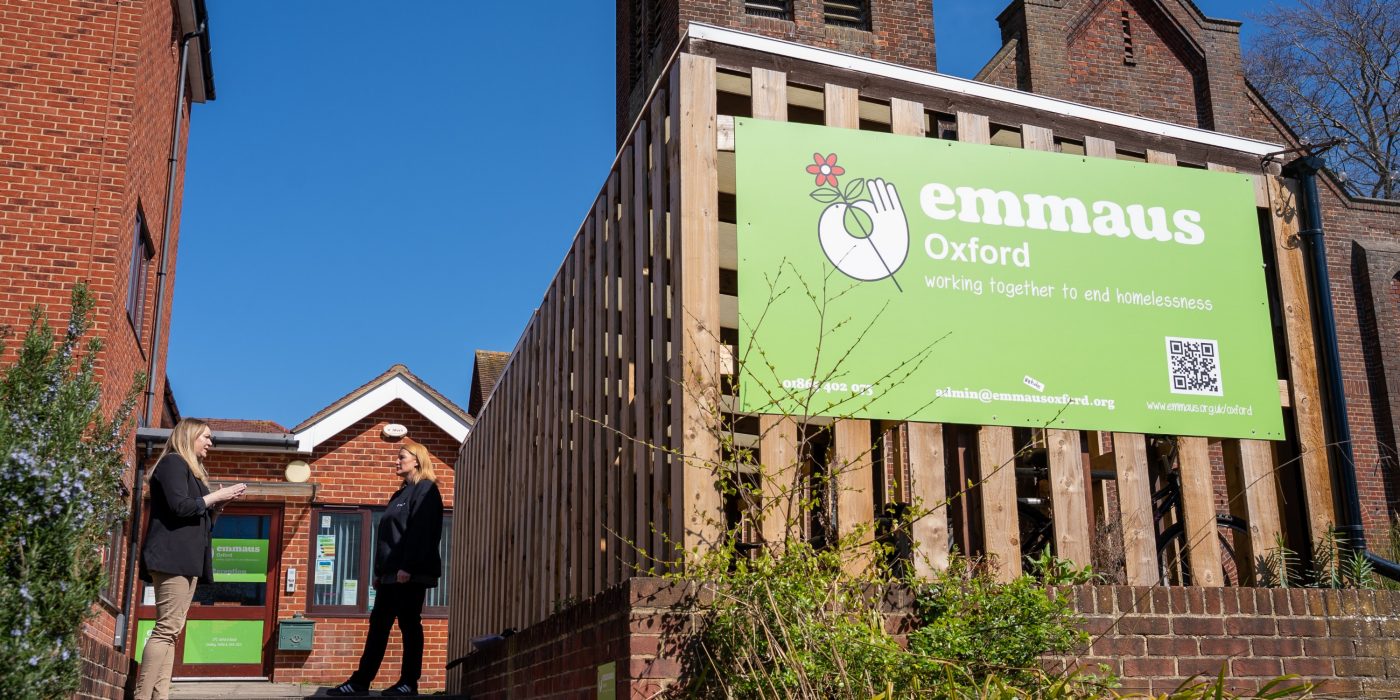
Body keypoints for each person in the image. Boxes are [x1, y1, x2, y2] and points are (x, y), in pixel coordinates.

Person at [134, 418, 247, 700]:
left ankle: (160, 696)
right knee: (166, 629)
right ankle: (142, 695)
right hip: (171, 558)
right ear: (190, 436)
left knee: (171, 632)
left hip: (185, 561)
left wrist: (217, 507)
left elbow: (198, 519)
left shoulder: (193, 472)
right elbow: (180, 507)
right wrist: (216, 495)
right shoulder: (173, 463)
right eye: (207, 437)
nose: (211, 443)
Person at [331, 441, 444, 697]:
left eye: (401, 457)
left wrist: (407, 567)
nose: (396, 461)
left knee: (409, 624)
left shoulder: (426, 490)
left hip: (410, 574)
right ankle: (360, 682)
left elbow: (421, 534)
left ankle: (408, 682)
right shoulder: (399, 494)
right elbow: (387, 537)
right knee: (379, 625)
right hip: (391, 576)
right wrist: (380, 573)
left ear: (416, 460)